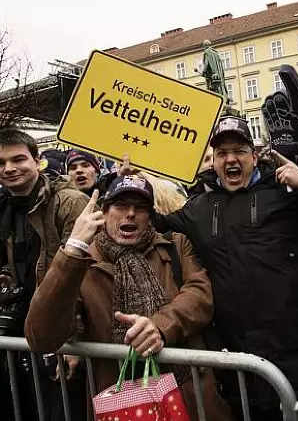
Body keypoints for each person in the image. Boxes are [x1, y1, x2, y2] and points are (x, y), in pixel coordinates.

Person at [155, 115, 298, 419]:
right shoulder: (197, 209)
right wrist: (127, 182)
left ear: (254, 157)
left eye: (239, 151)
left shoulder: (285, 192)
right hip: (245, 367)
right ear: (213, 162)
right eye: (222, 153)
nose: (230, 159)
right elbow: (153, 227)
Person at [24, 175, 234, 421]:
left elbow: (199, 293)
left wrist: (159, 326)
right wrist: (71, 250)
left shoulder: (174, 245)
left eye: (141, 208)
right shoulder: (81, 261)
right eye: (121, 206)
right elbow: (41, 336)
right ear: (104, 212)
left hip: (191, 395)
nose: (131, 214)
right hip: (121, 401)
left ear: (151, 216)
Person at [0, 128, 89, 421]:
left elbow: (84, 273)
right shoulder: (5, 207)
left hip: (60, 334)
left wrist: (73, 338)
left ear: (37, 161)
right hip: (21, 334)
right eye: (1, 163)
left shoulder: (69, 202)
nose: (9, 169)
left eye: (18, 159)